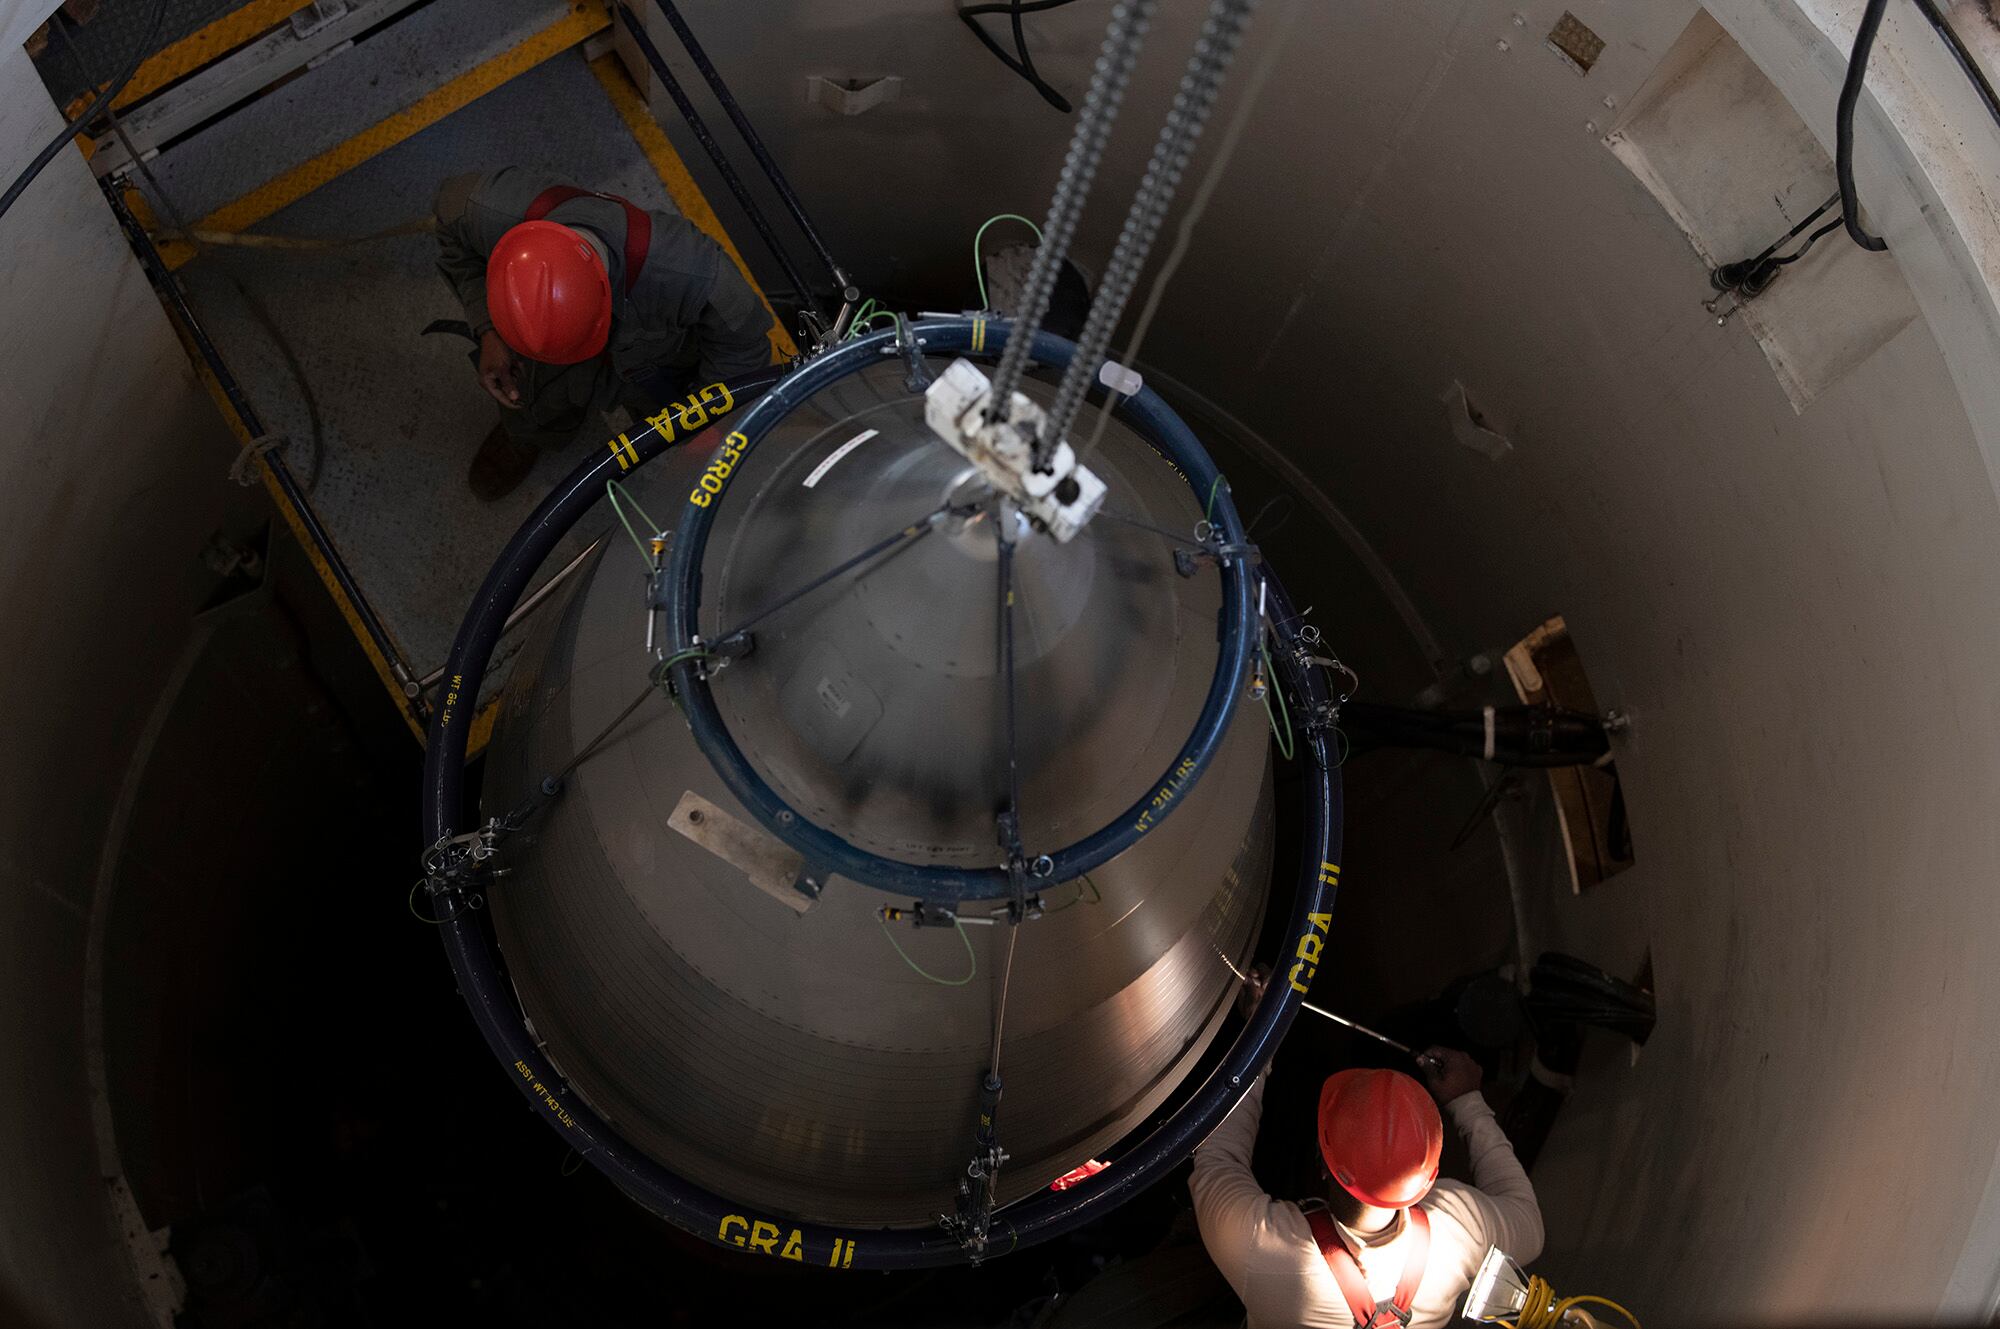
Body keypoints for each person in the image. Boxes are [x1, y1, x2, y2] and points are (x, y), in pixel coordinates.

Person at [433, 166, 776, 499]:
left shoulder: (693, 274)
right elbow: (454, 244)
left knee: (667, 424)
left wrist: (708, 425)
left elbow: (743, 348)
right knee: (525, 394)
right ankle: (529, 435)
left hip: (657, 360)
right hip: (530, 351)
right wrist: (489, 330)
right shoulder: (478, 210)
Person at [1191, 1040, 1543, 1329]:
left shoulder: (1263, 1246)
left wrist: (1259, 1045)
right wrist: (1468, 1101)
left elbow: (1219, 1159)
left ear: (1321, 1161)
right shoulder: (1461, 1228)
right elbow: (1529, 1225)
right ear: (1429, 1178)